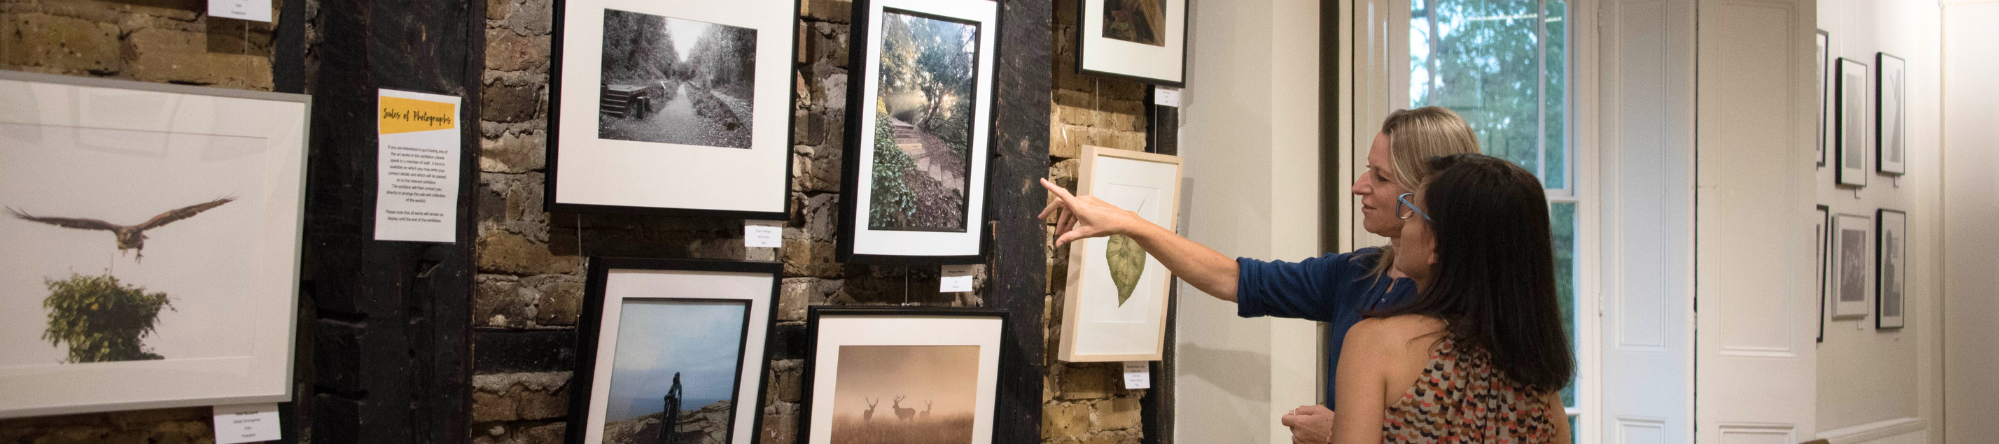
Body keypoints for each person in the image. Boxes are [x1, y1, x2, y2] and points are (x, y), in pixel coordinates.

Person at [1039, 107, 1481, 443]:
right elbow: (1235, 278)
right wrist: (1130, 223)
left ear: (1426, 194)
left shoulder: (1467, 309)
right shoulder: (1358, 273)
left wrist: (1344, 431)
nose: (1358, 185)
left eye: (1380, 177)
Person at [1330, 154, 1571, 443]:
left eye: (1412, 212)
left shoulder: (1374, 343)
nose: (1404, 224)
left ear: (1437, 244)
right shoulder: (1538, 376)